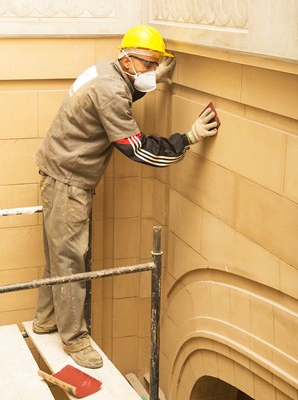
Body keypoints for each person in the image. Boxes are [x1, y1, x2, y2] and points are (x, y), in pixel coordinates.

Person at [33, 25, 218, 369]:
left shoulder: (106, 70)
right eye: (148, 65)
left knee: (58, 253)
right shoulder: (111, 90)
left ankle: (46, 320)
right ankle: (74, 339)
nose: (151, 70)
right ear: (127, 59)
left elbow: (117, 97)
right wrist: (187, 139)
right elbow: (138, 148)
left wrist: (152, 80)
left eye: (155, 65)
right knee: (70, 260)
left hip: (56, 171)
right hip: (69, 182)